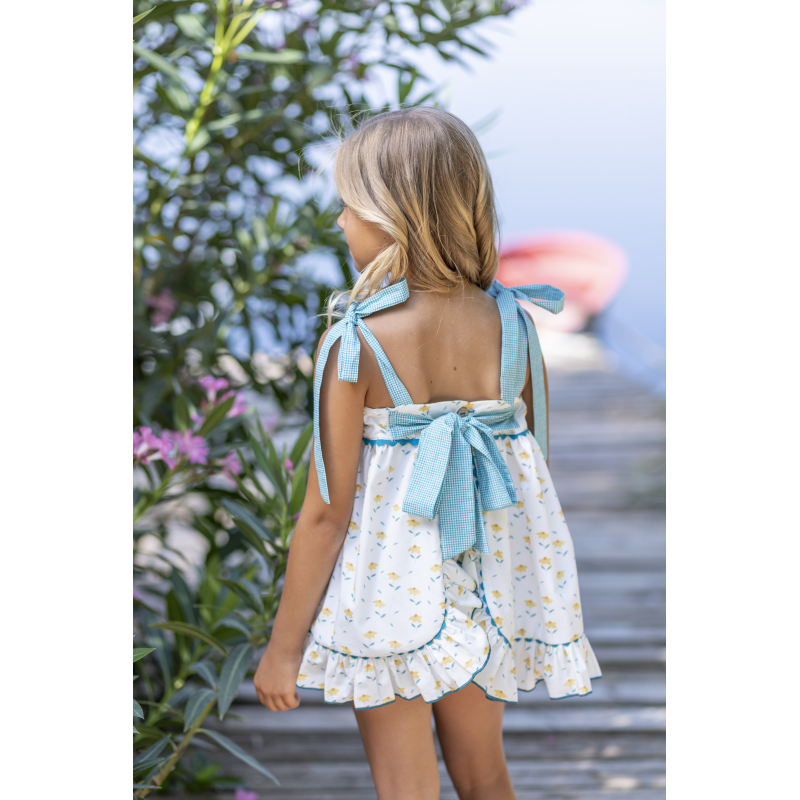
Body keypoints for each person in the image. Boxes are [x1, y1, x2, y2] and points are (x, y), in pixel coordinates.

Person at [253, 107, 601, 800]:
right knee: (485, 774)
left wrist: (283, 650)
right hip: (491, 583)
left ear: (391, 216)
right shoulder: (512, 321)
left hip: (389, 593)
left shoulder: (356, 341)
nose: (340, 223)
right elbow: (536, 465)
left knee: (404, 788)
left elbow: (325, 513)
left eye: (348, 206)